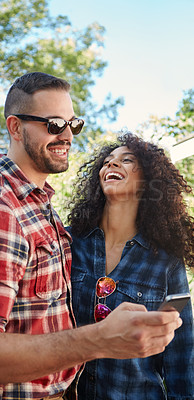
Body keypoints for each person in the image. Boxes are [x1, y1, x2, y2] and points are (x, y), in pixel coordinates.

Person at [0, 73, 182, 400]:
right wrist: (99, 339)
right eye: (53, 124)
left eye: (72, 125)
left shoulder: (41, 205)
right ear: (16, 127)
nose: (66, 136)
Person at [66, 133, 194, 400]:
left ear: (147, 182)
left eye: (126, 160)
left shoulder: (167, 260)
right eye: (107, 161)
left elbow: (181, 354)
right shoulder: (69, 243)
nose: (112, 165)